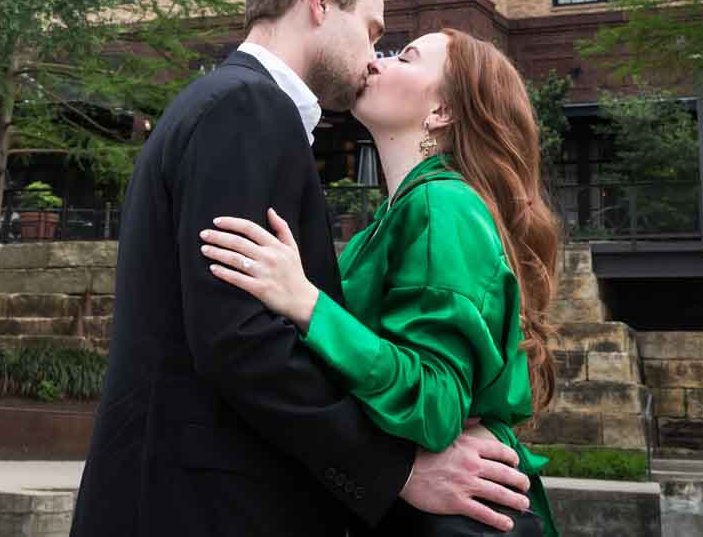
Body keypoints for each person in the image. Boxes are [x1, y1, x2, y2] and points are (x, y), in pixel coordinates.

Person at [70, 0, 535, 537]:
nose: (374, 57)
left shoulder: (231, 105)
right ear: (321, 1)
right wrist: (393, 471)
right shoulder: (246, 107)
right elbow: (240, 338)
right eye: (372, 32)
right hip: (200, 504)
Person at [199, 27, 561, 536]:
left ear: (441, 112)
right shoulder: (394, 217)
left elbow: (436, 404)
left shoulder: (443, 206)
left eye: (405, 58)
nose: (377, 62)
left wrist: (306, 301)